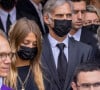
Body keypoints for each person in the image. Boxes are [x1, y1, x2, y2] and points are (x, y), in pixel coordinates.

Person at [41, 0, 94, 90]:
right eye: (60, 16)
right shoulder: (37, 48)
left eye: (69, 15)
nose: (65, 19)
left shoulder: (84, 51)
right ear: (47, 19)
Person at [5, 18, 44, 90]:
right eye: (26, 43)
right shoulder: (4, 71)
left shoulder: (42, 73)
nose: (30, 47)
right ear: (15, 41)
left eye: (35, 44)